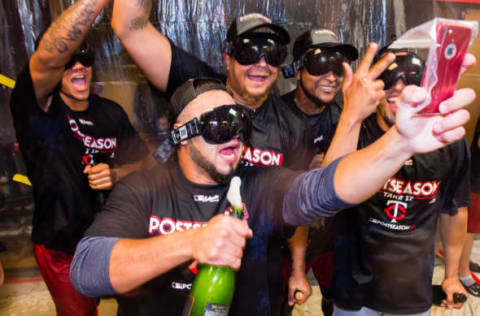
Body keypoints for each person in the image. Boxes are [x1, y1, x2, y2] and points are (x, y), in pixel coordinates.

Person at [71, 71, 474, 316]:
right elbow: (87, 270)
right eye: (218, 124)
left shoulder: (257, 184)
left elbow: (324, 190)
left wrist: (399, 144)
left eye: (240, 123)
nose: (235, 135)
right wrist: (192, 242)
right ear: (182, 138)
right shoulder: (145, 189)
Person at [111, 2, 313, 313]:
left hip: (259, 266)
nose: (261, 63)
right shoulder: (199, 90)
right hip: (184, 262)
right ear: (227, 58)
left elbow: (301, 205)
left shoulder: (293, 124)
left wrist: (298, 269)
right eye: (249, 51)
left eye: (272, 53)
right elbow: (128, 25)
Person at [9, 0, 148, 315]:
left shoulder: (110, 113)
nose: (78, 67)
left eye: (84, 58)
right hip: (62, 247)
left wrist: (117, 174)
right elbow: (47, 59)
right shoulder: (37, 109)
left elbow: (143, 162)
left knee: (142, 306)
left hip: (117, 239)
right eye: (67, 61)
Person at [322, 47, 473, 315]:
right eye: (390, 77)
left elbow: (454, 210)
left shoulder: (446, 139)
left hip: (410, 288)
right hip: (354, 285)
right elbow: (325, 194)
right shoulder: (357, 130)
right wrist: (351, 114)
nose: (399, 88)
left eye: (411, 78)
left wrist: (451, 275)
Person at [280, 29, 359, 315]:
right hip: (285, 241)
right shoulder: (275, 116)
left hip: (333, 238)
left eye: (338, 67)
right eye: (319, 64)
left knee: (337, 302)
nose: (331, 76)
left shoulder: (347, 116)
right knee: (283, 301)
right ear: (298, 69)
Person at [458, 114, 480, 296]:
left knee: (471, 228)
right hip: (476, 179)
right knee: (468, 229)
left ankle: (462, 262)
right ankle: (463, 273)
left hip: (476, 178)